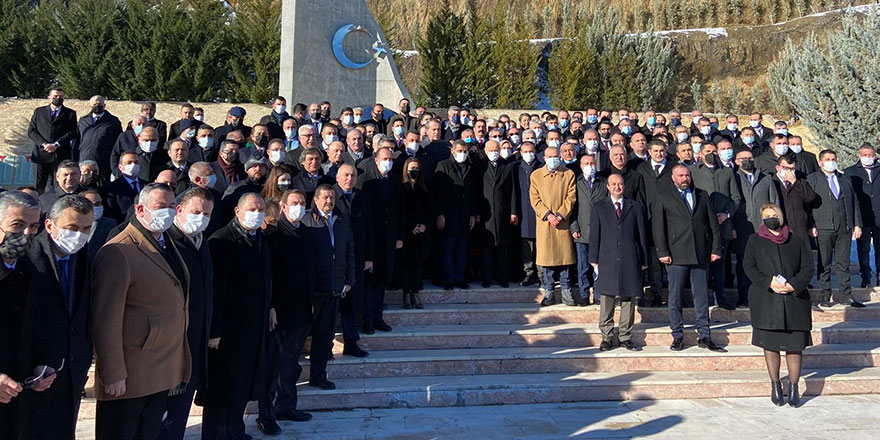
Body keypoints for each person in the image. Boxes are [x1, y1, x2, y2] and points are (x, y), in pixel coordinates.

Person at [91, 183, 190, 440]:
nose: (167, 213)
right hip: (130, 373)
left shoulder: (167, 242)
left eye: (171, 207)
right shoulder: (119, 250)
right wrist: (113, 373)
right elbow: (105, 319)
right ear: (140, 209)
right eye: (160, 207)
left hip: (160, 367)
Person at [196, 192, 271, 439]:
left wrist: (269, 307)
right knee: (221, 389)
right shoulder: (222, 241)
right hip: (227, 331)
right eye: (251, 209)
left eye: (260, 209)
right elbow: (215, 290)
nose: (256, 213)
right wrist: (214, 330)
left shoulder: (260, 238)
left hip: (252, 327)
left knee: (242, 384)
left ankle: (235, 430)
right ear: (237, 212)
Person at [256, 190, 316, 433]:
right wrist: (270, 306)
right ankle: (266, 414)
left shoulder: (305, 233)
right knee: (273, 366)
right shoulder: (272, 235)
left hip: (301, 310)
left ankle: (287, 405)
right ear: (282, 206)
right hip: (279, 313)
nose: (299, 207)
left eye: (302, 203)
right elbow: (268, 276)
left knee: (290, 363)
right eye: (294, 203)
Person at [743, 203, 813, 408]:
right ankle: (775, 385)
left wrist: (794, 285)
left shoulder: (796, 239)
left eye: (774, 214)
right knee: (770, 345)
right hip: (766, 301)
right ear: (762, 219)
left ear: (781, 216)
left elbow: (807, 267)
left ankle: (793, 387)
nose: (771, 218)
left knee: (794, 347)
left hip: (794, 301)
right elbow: (749, 266)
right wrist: (769, 283)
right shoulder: (754, 240)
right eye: (767, 215)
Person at [157, 188, 214, 440]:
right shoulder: (165, 243)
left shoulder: (201, 242)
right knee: (164, 417)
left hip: (194, 342)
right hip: (169, 346)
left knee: (178, 413)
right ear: (179, 211)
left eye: (206, 213)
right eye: (196, 212)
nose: (201, 218)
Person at [0, 191, 57, 438]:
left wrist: (44, 363)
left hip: (19, 393)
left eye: (33, 226)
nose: (25, 234)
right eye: (17, 225)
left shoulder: (31, 268)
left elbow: (39, 322)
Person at [652, 165, 725, 352]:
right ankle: (677, 335)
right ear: (673, 177)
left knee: (701, 296)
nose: (685, 178)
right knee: (675, 297)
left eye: (687, 175)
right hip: (675, 254)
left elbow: (712, 226)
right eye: (681, 175)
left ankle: (705, 335)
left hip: (700, 253)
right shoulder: (663, 196)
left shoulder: (702, 195)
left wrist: (716, 248)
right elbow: (658, 226)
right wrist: (662, 251)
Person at [301, 185, 355, 390]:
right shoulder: (307, 221)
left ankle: (319, 375)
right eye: (324, 197)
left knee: (325, 337)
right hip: (313, 290)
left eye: (331, 197)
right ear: (315, 200)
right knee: (301, 337)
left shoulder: (342, 220)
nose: (328, 201)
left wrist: (350, 280)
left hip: (334, 288)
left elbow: (350, 250)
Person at [589, 174, 648, 351]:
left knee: (629, 298)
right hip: (606, 257)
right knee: (607, 297)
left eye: (620, 184)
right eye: (613, 184)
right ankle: (606, 336)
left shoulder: (635, 207)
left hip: (630, 257)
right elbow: (595, 235)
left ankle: (625, 336)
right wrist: (593, 259)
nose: (617, 187)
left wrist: (644, 259)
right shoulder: (599, 207)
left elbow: (641, 235)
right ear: (607, 186)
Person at [807, 150, 864, 308]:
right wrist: (811, 225)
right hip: (823, 227)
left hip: (844, 228)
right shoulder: (812, 179)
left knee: (843, 263)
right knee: (824, 263)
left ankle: (846, 295)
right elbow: (808, 206)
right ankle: (825, 295)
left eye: (833, 159)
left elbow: (854, 202)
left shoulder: (844, 178)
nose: (831, 162)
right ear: (820, 162)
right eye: (827, 159)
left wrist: (857, 224)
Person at [689, 145, 741, 310]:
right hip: (701, 226)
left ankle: (721, 297)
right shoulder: (692, 171)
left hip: (722, 225)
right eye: (707, 152)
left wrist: (727, 214)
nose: (710, 154)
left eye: (713, 151)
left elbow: (736, 197)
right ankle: (701, 298)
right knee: (702, 265)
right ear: (700, 153)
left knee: (719, 264)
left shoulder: (727, 172)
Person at [359, 147, 403, 332]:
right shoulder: (365, 180)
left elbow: (400, 209)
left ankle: (378, 316)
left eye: (390, 159)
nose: (388, 162)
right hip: (371, 237)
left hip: (389, 236)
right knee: (370, 279)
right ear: (376, 160)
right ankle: (367, 318)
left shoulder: (394, 179)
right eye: (384, 158)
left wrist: (399, 236)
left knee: (383, 279)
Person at [332, 164, 373, 353]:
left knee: (352, 299)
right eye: (346, 175)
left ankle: (351, 341)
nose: (350, 178)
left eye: (353, 175)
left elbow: (370, 229)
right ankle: (326, 345)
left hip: (356, 256)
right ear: (338, 177)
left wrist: (368, 257)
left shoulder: (362, 197)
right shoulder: (329, 196)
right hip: (333, 258)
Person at [529, 146, 577, 306]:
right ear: (544, 158)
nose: (553, 159)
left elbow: (571, 197)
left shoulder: (568, 174)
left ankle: (566, 292)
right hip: (545, 224)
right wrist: (548, 215)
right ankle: (549, 293)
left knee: (564, 260)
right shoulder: (536, 175)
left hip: (562, 223)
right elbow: (534, 199)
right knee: (547, 261)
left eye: (556, 156)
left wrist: (560, 214)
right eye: (550, 156)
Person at [732, 150, 779, 307]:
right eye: (743, 158)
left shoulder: (765, 178)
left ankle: (766, 295)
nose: (747, 161)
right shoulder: (734, 178)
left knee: (765, 264)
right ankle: (744, 297)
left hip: (763, 228)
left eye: (750, 158)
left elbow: (774, 203)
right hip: (743, 227)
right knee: (744, 264)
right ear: (737, 161)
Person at [432, 141, 478, 290]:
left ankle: (460, 278)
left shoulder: (470, 168)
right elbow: (438, 192)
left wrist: (472, 214)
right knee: (447, 249)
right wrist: (440, 213)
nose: (463, 154)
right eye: (460, 150)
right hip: (448, 215)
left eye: (465, 151)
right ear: (452, 151)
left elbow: (472, 193)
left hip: (464, 215)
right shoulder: (443, 166)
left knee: (461, 250)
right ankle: (448, 278)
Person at [636, 139, 677, 307]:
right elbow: (639, 194)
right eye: (656, 151)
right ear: (649, 152)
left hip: (670, 219)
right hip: (649, 219)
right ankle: (656, 293)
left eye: (662, 151)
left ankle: (673, 295)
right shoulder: (642, 168)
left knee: (671, 259)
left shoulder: (673, 167)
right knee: (653, 260)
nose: (659, 154)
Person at [476, 140, 518, 288]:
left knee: (502, 246)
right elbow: (475, 191)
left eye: (496, 150)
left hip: (503, 212)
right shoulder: (479, 166)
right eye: (491, 150)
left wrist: (513, 211)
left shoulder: (507, 166)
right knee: (486, 247)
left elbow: (512, 190)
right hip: (485, 213)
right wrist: (476, 212)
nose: (494, 152)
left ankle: (502, 277)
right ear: (486, 151)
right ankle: (487, 277)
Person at [570, 154, 605, 305]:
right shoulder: (576, 183)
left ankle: (598, 293)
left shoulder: (602, 182)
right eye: (587, 163)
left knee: (599, 266)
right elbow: (572, 207)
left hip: (600, 232)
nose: (590, 166)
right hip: (582, 230)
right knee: (583, 266)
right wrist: (574, 227)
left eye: (592, 163)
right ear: (581, 165)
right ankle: (584, 294)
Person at [28, 88, 78, 193]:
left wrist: (56, 144)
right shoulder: (39, 112)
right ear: (49, 98)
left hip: (60, 154)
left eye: (61, 96)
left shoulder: (70, 114)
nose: (58, 98)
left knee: (59, 185)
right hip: (41, 154)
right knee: (39, 185)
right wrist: (44, 144)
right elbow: (32, 131)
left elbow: (72, 132)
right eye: (55, 96)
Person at [845, 143, 880, 288]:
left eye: (870, 155)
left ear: (875, 155)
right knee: (863, 249)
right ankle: (866, 277)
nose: (868, 158)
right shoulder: (850, 172)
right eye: (864, 155)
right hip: (862, 217)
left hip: (879, 217)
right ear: (859, 156)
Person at [401, 158, 430, 308]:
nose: (414, 171)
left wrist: (424, 225)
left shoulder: (423, 188)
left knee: (418, 264)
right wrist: (410, 226)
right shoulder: (402, 188)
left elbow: (428, 209)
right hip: (407, 233)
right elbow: (401, 211)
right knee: (406, 265)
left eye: (417, 168)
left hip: (421, 233)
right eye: (412, 168)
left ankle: (416, 293)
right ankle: (406, 294)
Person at [74, 95, 123, 181]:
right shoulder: (83, 121)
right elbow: (77, 141)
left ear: (104, 105)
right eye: (94, 104)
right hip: (85, 161)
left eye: (99, 104)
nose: (97, 106)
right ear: (90, 106)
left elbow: (118, 142)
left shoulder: (113, 121)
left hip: (104, 162)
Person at [515, 142, 542, 286]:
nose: (528, 154)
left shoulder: (542, 167)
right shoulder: (516, 168)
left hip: (540, 211)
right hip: (523, 211)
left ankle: (542, 274)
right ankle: (529, 273)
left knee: (542, 246)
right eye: (525, 151)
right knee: (527, 245)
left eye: (531, 151)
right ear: (520, 152)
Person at [103, 151, 147, 223]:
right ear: (120, 167)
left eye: (136, 162)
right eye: (129, 163)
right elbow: (111, 213)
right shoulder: (111, 188)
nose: (133, 165)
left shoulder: (147, 185)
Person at [81, 188, 117, 262]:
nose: (100, 206)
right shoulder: (75, 225)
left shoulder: (110, 224)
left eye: (101, 203)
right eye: (96, 204)